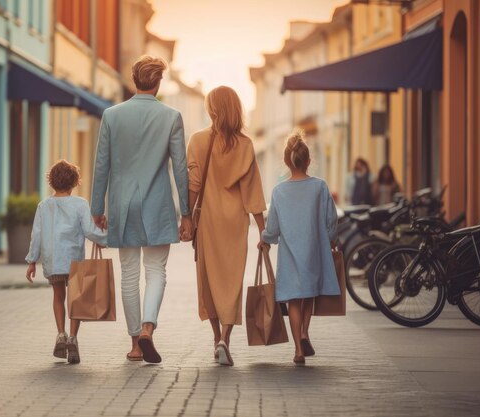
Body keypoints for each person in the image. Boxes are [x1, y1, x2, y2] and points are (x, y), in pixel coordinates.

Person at [91, 55, 191, 364]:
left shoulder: (111, 115)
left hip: (122, 204)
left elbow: (102, 165)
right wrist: (186, 212)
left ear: (134, 79)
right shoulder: (172, 116)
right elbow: (180, 169)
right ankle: (148, 328)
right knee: (156, 271)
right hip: (157, 204)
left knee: (129, 275)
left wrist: (97, 208)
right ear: (159, 82)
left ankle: (135, 343)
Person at [187, 86, 267, 367]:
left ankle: (214, 338)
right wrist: (263, 231)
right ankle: (225, 338)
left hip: (208, 220)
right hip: (235, 223)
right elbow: (253, 192)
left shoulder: (198, 141)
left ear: (213, 109)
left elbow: (194, 185)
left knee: (208, 280)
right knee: (232, 282)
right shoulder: (245, 145)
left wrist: (186, 218)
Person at [261, 130, 339, 365]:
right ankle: (305, 331)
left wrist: (265, 238)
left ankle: (297, 349)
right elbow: (331, 219)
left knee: (293, 299)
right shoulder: (320, 187)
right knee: (309, 295)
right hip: (314, 251)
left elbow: (272, 227)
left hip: (290, 254)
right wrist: (330, 239)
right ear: (308, 161)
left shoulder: (279, 191)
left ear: (286, 162)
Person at [25, 160, 107, 364]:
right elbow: (89, 230)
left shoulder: (44, 206)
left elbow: (37, 234)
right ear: (74, 182)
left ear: (52, 182)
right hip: (73, 260)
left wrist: (32, 260)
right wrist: (105, 239)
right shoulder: (80, 204)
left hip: (53, 259)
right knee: (76, 300)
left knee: (58, 296)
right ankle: (73, 338)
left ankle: (60, 334)